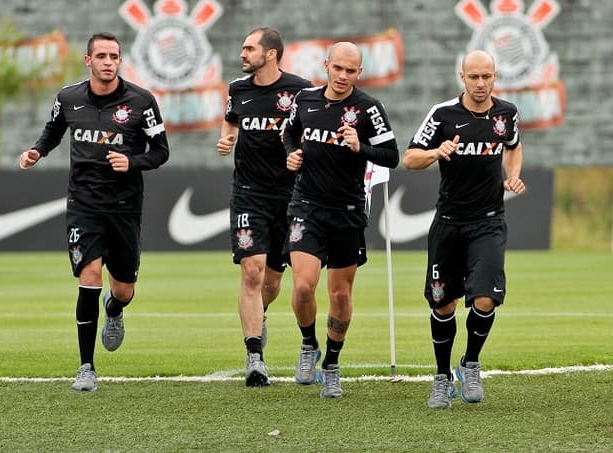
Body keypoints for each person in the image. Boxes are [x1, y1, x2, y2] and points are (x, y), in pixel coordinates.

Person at [19, 32, 170, 392]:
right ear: (88, 61)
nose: (108, 61)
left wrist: (132, 161)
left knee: (125, 289)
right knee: (89, 276)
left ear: (120, 60)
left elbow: (161, 151)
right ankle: (86, 367)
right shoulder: (68, 98)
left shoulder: (141, 101)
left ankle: (114, 310)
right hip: (83, 204)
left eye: (114, 56)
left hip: (124, 208)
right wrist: (37, 151)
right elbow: (53, 132)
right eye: (101, 55)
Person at [403, 50, 526, 409]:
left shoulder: (507, 113)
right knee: (443, 304)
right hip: (448, 224)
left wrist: (513, 174)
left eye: (486, 76)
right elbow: (409, 158)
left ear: (495, 76)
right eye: (474, 77)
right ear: (462, 76)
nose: (480, 83)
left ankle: (470, 363)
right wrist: (436, 152)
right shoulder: (443, 115)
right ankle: (442, 377)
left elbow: (514, 147)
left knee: (486, 298)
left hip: (488, 221)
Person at [282, 42, 399, 398]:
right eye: (338, 68)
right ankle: (308, 345)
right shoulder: (305, 99)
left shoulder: (368, 109)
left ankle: (331, 365)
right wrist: (292, 154)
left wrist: (360, 148)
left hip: (347, 211)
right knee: (303, 286)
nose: (343, 76)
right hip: (306, 206)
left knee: (340, 295)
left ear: (359, 73)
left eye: (351, 70)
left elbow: (392, 155)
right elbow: (288, 132)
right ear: (326, 66)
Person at [217, 27, 313, 387]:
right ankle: (254, 356)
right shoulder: (237, 89)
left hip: (290, 197)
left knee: (272, 282)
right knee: (252, 272)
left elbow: (310, 130)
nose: (243, 54)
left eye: (249, 48)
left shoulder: (301, 89)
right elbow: (230, 120)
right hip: (248, 193)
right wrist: (227, 138)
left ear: (270, 54)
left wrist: (300, 152)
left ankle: (261, 314)